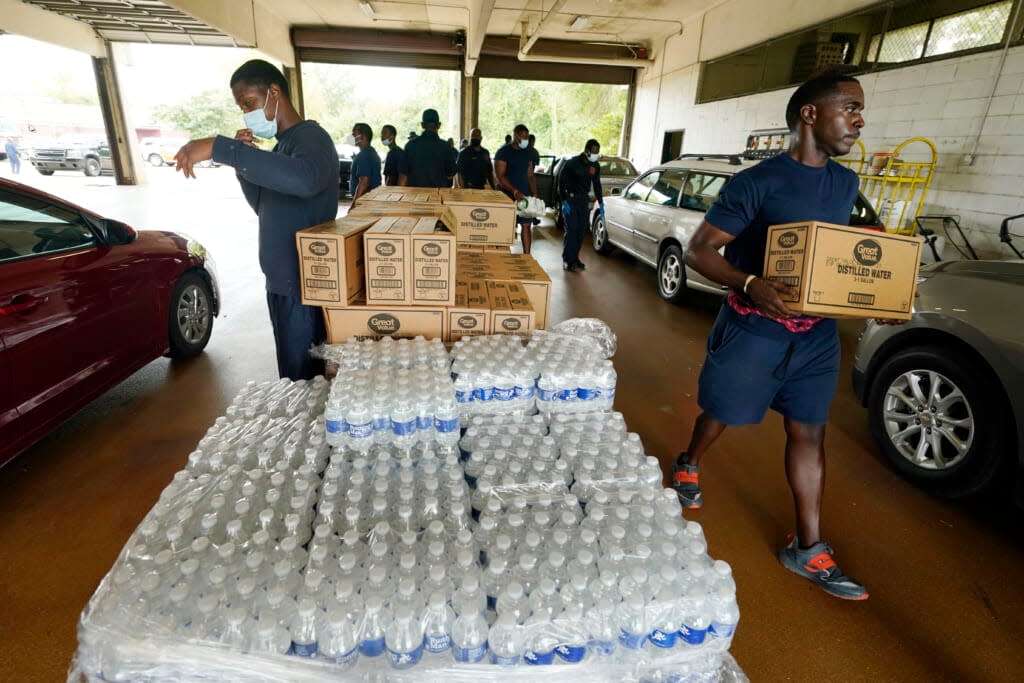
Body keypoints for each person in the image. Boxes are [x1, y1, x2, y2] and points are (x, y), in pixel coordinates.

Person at [673, 67, 885, 601]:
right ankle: (690, 460)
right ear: (810, 114)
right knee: (722, 413)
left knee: (809, 432)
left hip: (814, 337)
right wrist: (749, 282)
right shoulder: (755, 183)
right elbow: (700, 250)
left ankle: (808, 547)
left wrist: (882, 292)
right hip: (754, 329)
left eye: (860, 110)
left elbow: (845, 252)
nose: (860, 120)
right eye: (850, 107)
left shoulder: (845, 183)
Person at [173, 59, 338, 381]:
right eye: (241, 107)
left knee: (303, 381)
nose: (246, 112)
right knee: (293, 377)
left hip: (301, 284)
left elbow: (305, 181)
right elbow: (263, 205)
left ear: (274, 92)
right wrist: (243, 163)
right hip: (281, 282)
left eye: (249, 103)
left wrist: (225, 149)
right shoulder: (281, 147)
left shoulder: (311, 139)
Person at [558, 139, 603, 272]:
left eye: (597, 152)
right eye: (594, 152)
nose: (595, 155)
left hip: (583, 201)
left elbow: (597, 184)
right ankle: (567, 260)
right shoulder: (572, 163)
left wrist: (601, 202)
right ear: (587, 150)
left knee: (580, 232)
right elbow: (561, 182)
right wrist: (563, 201)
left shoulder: (595, 166)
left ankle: (575, 258)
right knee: (571, 231)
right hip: (570, 200)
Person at [494, 124, 538, 254]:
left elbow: (530, 175)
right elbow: (500, 177)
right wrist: (514, 191)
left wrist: (534, 192)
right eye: (523, 137)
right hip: (507, 196)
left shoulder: (528, 152)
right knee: (506, 227)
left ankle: (527, 256)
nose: (525, 140)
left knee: (526, 225)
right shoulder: (503, 152)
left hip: (524, 196)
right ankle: (503, 255)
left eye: (527, 137)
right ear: (516, 136)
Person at [399, 108, 456, 188]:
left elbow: (403, 176)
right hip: (438, 197)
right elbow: (450, 175)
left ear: (422, 125)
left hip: (414, 197)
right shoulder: (446, 147)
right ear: (439, 125)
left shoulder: (410, 146)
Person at [349, 122, 381, 206]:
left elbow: (364, 182)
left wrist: (354, 204)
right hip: (371, 199)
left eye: (354, 134)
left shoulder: (364, 155)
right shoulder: (370, 152)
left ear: (362, 136)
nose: (352, 137)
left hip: (364, 201)